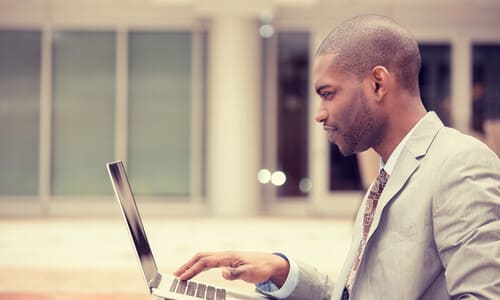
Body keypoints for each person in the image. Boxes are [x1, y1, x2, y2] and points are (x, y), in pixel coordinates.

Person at [174, 14, 500, 299]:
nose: (319, 114)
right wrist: (282, 271)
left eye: (328, 94)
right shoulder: (388, 177)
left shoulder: (459, 165)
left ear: (377, 84)